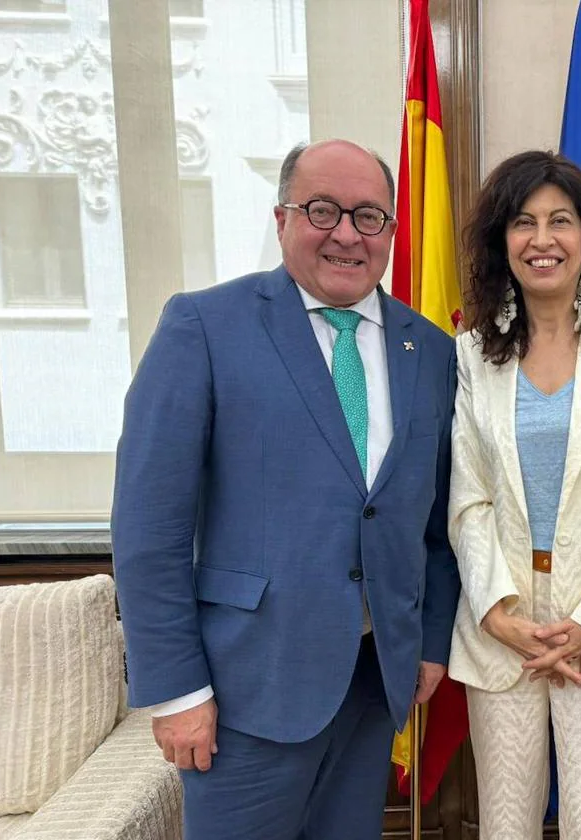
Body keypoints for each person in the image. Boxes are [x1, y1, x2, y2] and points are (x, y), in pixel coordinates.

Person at [111, 139, 460, 840]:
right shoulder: (204, 327)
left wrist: (426, 640)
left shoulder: (430, 350)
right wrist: (177, 689)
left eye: (369, 217)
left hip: (371, 684)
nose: (345, 234)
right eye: (322, 209)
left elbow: (435, 520)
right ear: (281, 218)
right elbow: (149, 527)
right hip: (248, 693)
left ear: (391, 232)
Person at [447, 150, 581, 840]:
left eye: (560, 221)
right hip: (502, 627)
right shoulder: (474, 350)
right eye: (523, 222)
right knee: (505, 827)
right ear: (502, 243)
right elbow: (469, 496)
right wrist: (498, 613)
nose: (542, 239)